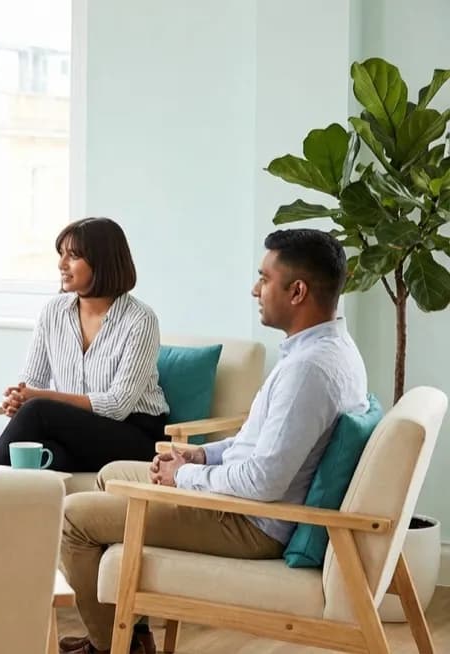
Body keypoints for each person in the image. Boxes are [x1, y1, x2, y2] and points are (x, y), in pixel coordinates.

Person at [56, 228, 369, 654]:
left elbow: (264, 481)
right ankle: (132, 637)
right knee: (112, 475)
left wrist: (185, 476)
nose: (255, 289)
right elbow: (258, 441)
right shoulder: (326, 349)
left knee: (74, 518)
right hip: (245, 503)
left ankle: (111, 647)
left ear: (297, 291)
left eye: (264, 279)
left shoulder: (308, 371)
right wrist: (202, 454)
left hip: (250, 522)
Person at [0, 217, 169, 471]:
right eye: (61, 254)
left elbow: (117, 405)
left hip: (134, 434)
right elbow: (32, 381)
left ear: (102, 261)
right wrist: (20, 399)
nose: (61, 264)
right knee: (44, 456)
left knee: (37, 411)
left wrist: (37, 398)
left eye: (72, 256)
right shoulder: (53, 312)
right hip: (76, 434)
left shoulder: (140, 320)